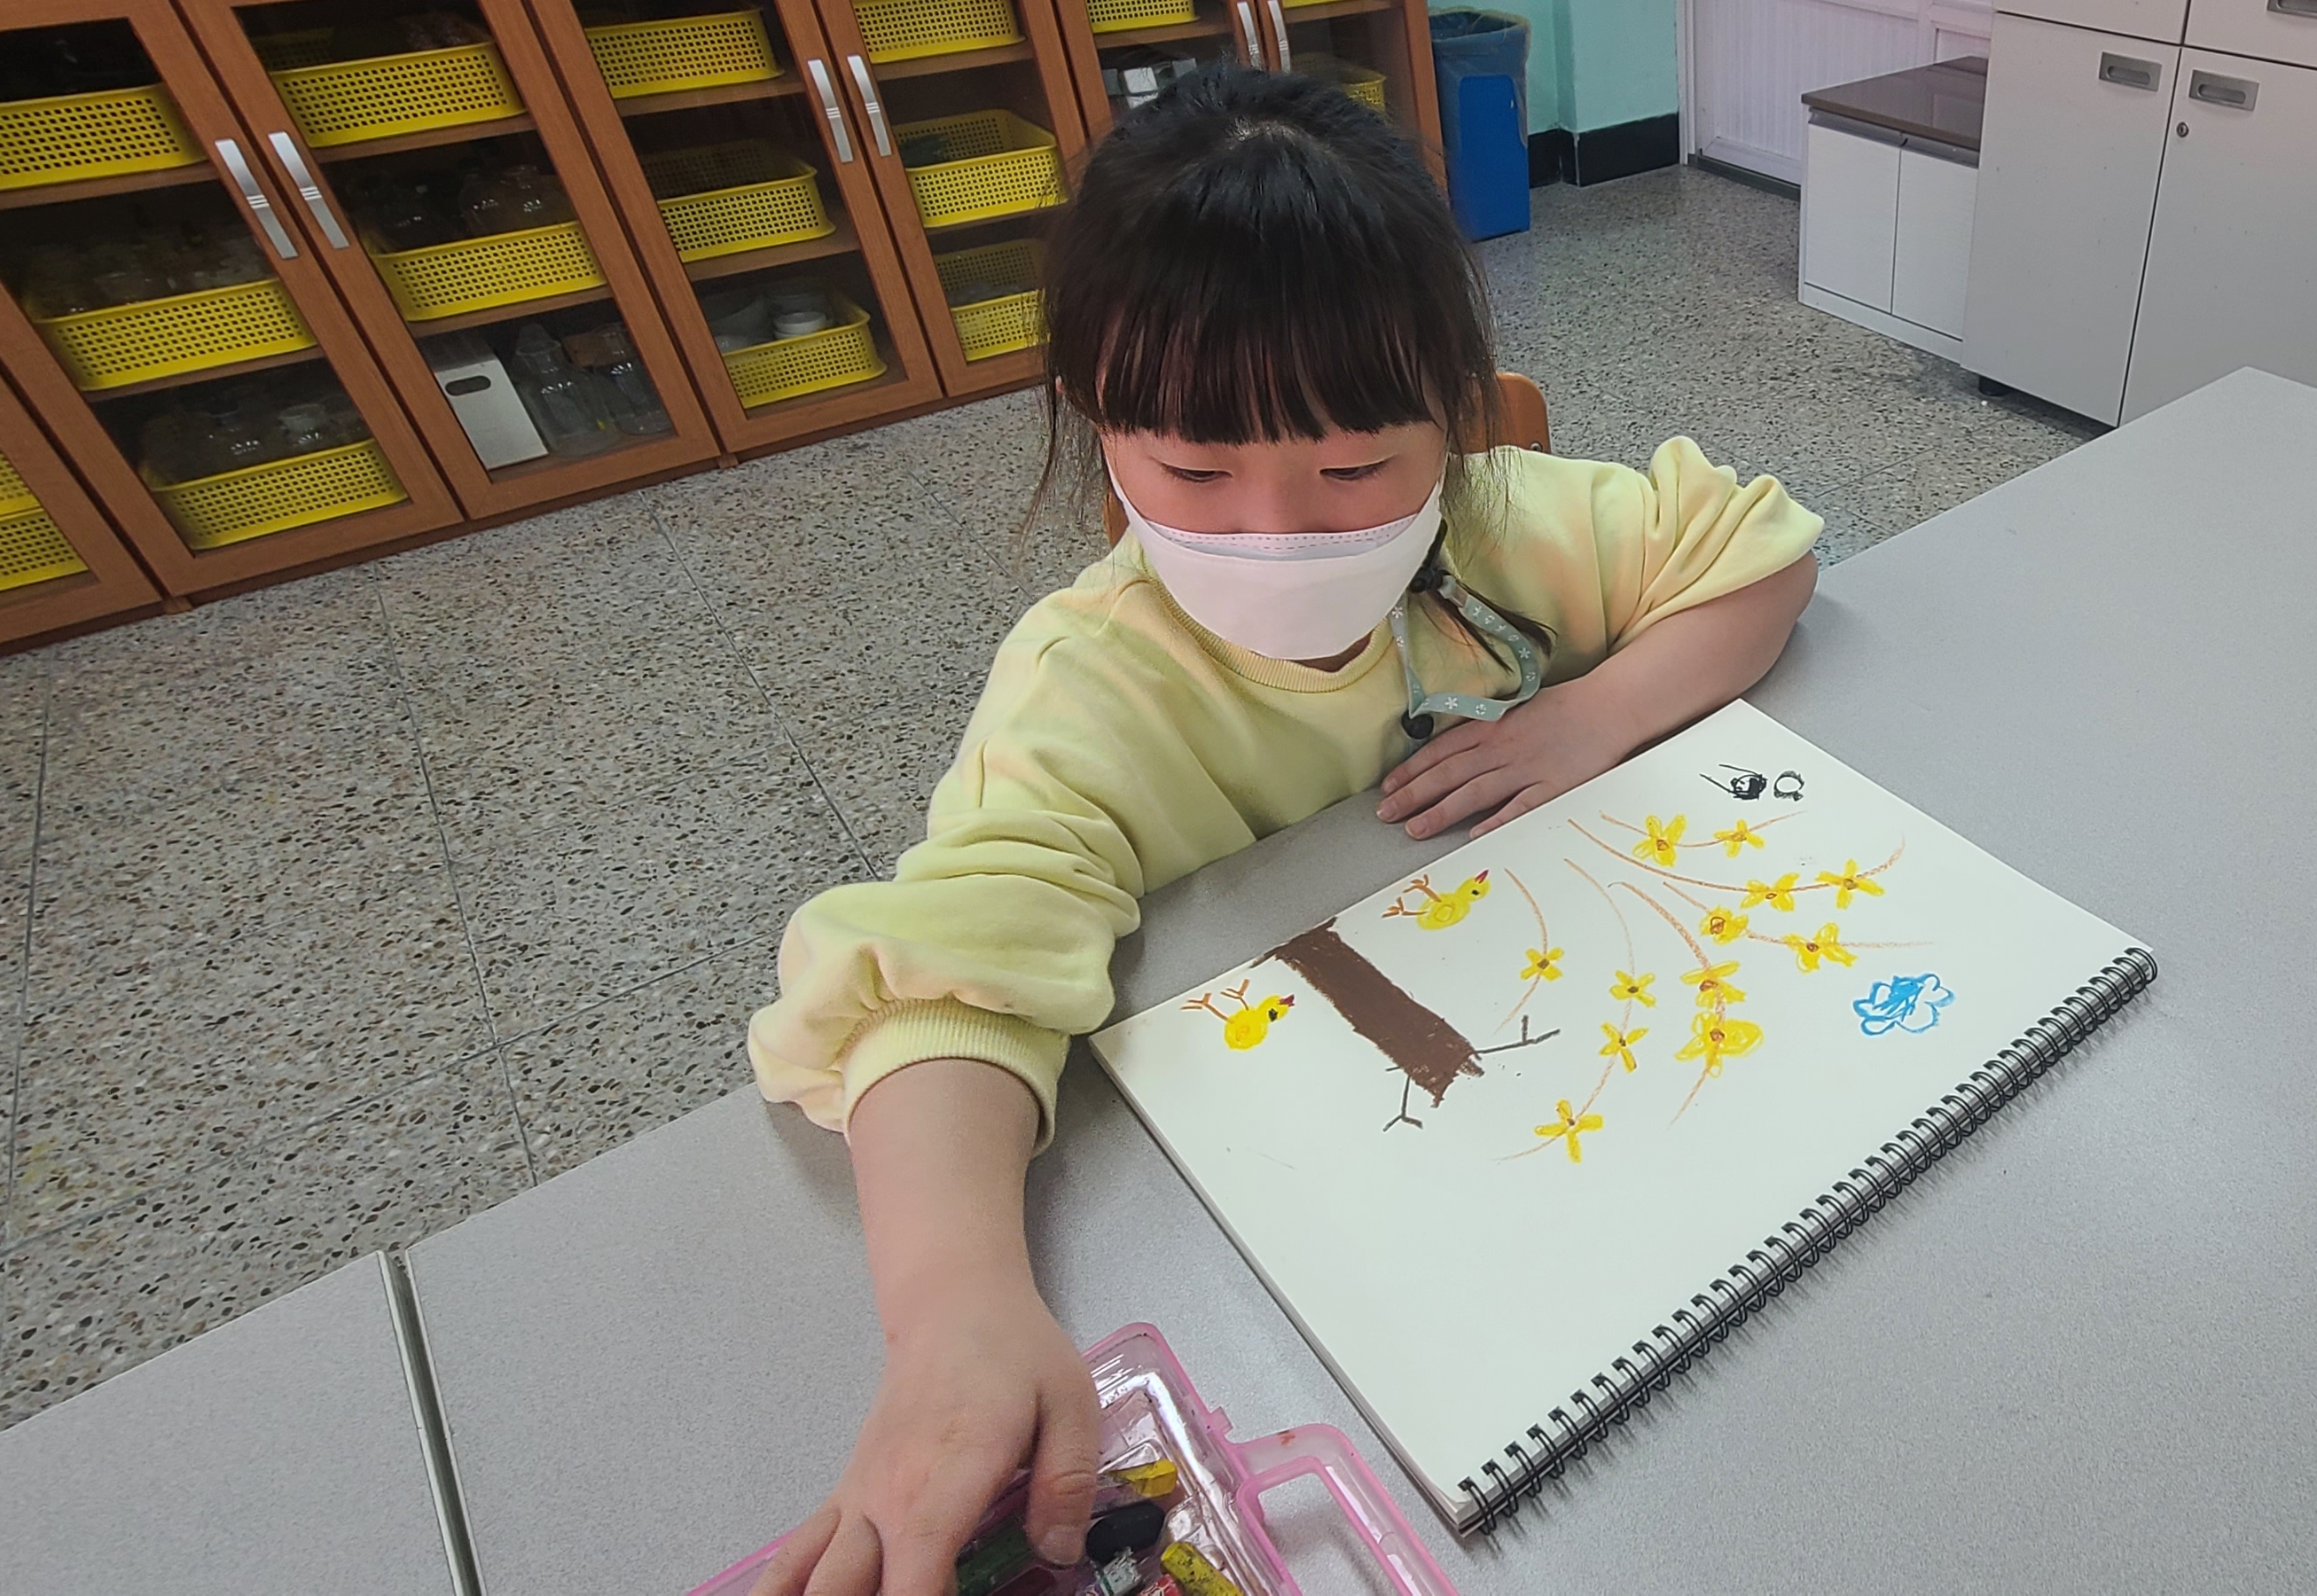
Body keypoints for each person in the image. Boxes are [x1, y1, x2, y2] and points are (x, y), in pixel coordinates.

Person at [744, 66, 1821, 1596]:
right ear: (1097, 427)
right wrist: (956, 1309)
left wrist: (1591, 717)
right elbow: (941, 997)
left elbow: (1759, 557)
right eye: (1194, 472)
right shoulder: (1084, 688)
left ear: (1451, 418)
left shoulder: (1505, 526)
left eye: (1356, 469)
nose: (1277, 532)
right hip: (1330, 1221)